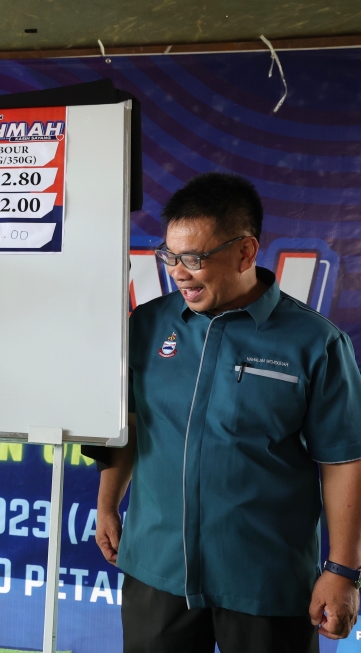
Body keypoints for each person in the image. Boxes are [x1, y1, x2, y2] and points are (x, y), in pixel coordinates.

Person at [90, 173, 361, 653]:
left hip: (265, 580)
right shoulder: (147, 324)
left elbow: (344, 460)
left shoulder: (316, 343)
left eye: (194, 259)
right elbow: (130, 423)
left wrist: (342, 570)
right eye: (170, 256)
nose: (178, 273)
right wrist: (107, 502)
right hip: (157, 569)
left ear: (245, 252)